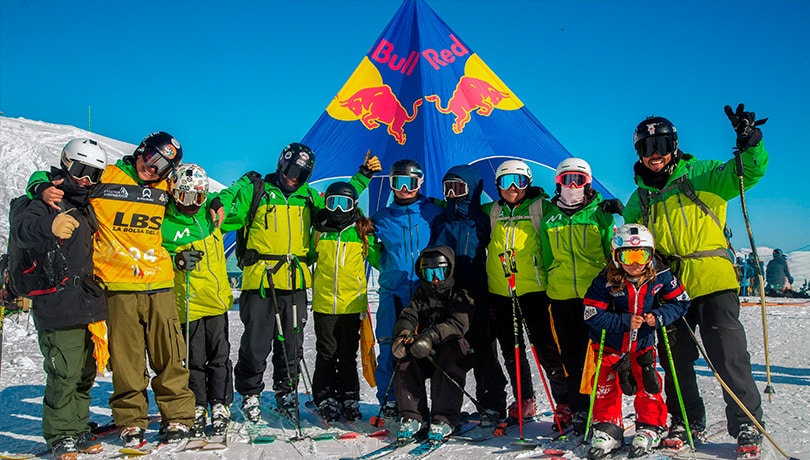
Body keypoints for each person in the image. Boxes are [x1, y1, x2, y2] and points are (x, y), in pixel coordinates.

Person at [27, 132, 196, 446]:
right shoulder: (107, 175)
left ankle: (178, 417)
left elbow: (187, 209)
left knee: (170, 356)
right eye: (152, 159)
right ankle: (131, 420)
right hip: (116, 286)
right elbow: (54, 176)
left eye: (163, 166)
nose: (154, 169)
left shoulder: (165, 188)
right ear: (141, 152)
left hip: (159, 283)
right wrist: (40, 187)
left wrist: (183, 246)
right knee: (126, 360)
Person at [622, 105, 768, 455]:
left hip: (712, 279)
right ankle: (685, 419)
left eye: (662, 144)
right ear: (639, 153)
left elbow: (749, 171)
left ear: (674, 146)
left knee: (727, 355)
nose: (655, 154)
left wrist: (751, 143)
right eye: (646, 147)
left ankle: (746, 420)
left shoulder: (703, 174)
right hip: (668, 290)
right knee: (675, 360)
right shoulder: (637, 200)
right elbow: (631, 247)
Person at [216, 144, 380, 422]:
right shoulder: (258, 191)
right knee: (256, 343)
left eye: (302, 174)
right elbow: (224, 217)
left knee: (290, 343)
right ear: (281, 165)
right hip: (261, 279)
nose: (294, 177)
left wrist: (362, 177)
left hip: (294, 280)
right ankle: (251, 392)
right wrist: (221, 198)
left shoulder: (308, 198)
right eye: (291, 170)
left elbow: (340, 202)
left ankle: (286, 389)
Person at [15, 139, 109, 459]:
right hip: (56, 299)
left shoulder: (86, 205)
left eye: (93, 174)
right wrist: (49, 223)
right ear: (66, 164)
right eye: (80, 171)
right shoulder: (48, 199)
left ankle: (78, 426)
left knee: (85, 369)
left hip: (86, 300)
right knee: (63, 370)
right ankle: (59, 433)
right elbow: (23, 230)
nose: (85, 180)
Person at [582, 224, 690, 459]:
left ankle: (650, 425)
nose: (635, 263)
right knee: (605, 386)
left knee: (649, 384)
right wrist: (623, 321)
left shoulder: (660, 275)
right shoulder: (606, 280)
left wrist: (659, 316)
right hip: (611, 345)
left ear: (650, 255)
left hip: (642, 346)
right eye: (627, 256)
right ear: (616, 256)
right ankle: (607, 426)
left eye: (641, 255)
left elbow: (681, 302)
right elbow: (591, 313)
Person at [481, 159, 570, 426]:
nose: (512, 188)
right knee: (512, 351)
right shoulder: (493, 210)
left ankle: (564, 402)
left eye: (518, 182)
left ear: (527, 183)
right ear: (497, 186)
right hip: (501, 291)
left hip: (535, 291)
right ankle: (524, 400)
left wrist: (599, 203)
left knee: (546, 348)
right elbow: (461, 208)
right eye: (505, 182)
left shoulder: (541, 206)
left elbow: (572, 209)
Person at [539, 157, 617, 434]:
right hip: (560, 295)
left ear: (588, 183)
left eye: (579, 180)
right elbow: (547, 255)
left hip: (594, 295)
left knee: (595, 354)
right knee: (569, 355)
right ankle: (579, 408)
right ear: (558, 182)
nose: (573, 185)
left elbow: (613, 253)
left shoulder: (600, 213)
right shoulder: (550, 217)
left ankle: (600, 408)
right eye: (567, 179)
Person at [430, 164, 507, 425]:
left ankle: (492, 404)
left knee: (485, 350)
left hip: (479, 294)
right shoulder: (441, 220)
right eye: (448, 188)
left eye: (458, 188)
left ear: (473, 190)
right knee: (451, 349)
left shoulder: (483, 220)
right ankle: (446, 409)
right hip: (448, 296)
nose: (452, 194)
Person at [162, 164, 235, 438]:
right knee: (193, 360)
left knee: (219, 357)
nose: (191, 205)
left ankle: (220, 404)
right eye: (185, 197)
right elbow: (153, 256)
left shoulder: (211, 216)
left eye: (199, 198)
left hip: (215, 303)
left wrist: (218, 200)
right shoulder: (166, 223)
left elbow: (235, 200)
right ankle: (197, 404)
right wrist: (176, 260)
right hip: (188, 305)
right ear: (173, 193)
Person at [370, 159, 444, 417]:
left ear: (419, 183)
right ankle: (389, 400)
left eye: (410, 183)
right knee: (391, 347)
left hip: (425, 291)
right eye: (398, 183)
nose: (404, 189)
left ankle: (434, 404)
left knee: (428, 348)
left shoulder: (432, 212)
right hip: (393, 293)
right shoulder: (382, 218)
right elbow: (370, 250)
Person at [310, 181, 381, 422]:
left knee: (348, 353)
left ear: (354, 206)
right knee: (327, 352)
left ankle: (349, 394)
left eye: (345, 204)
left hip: (352, 305)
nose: (339, 210)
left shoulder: (360, 233)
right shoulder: (320, 231)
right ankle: (325, 396)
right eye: (333, 203)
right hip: (324, 304)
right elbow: (307, 255)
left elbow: (379, 259)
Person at [391, 246, 474, 443]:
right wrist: (403, 334)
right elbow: (408, 315)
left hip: (453, 351)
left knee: (451, 351)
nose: (435, 279)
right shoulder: (422, 294)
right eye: (429, 273)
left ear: (449, 270)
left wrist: (430, 336)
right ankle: (412, 416)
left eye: (439, 272)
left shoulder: (460, 293)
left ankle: (444, 417)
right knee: (405, 357)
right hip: (425, 350)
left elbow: (458, 323)